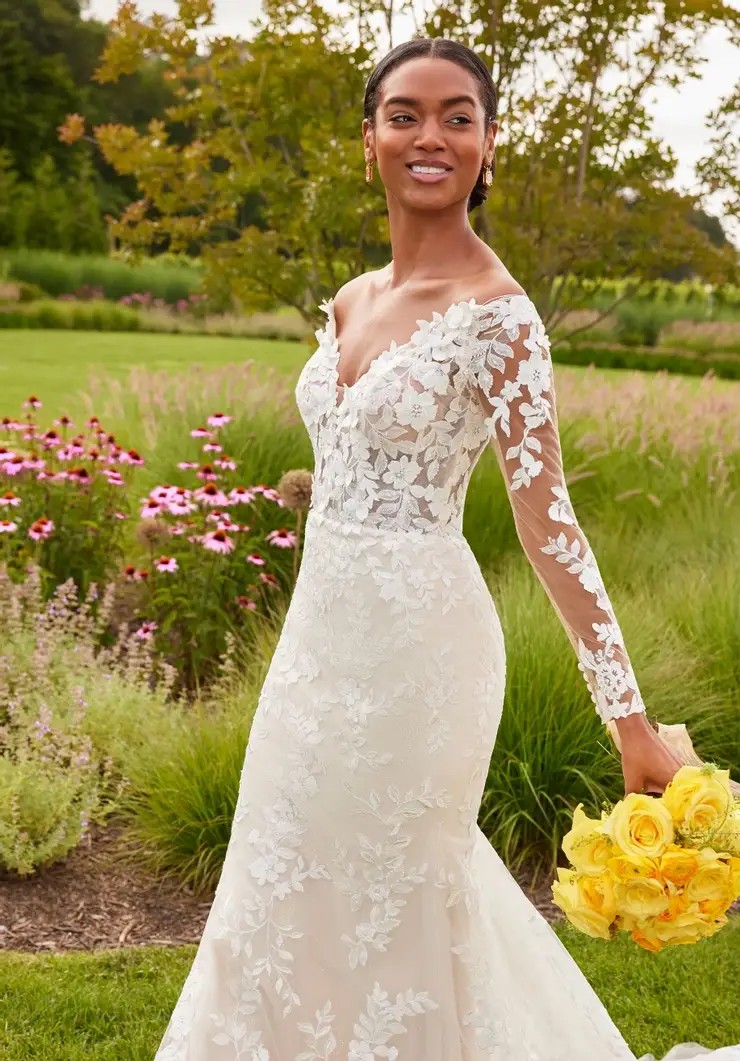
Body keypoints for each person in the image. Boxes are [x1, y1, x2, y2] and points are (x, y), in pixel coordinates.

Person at [154, 37, 739, 1061]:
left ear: (486, 144)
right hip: (319, 645)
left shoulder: (500, 319)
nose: (430, 136)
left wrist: (628, 720)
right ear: (368, 139)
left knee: (403, 887)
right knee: (283, 865)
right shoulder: (347, 298)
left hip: (423, 647)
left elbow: (545, 518)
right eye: (405, 114)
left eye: (456, 117)